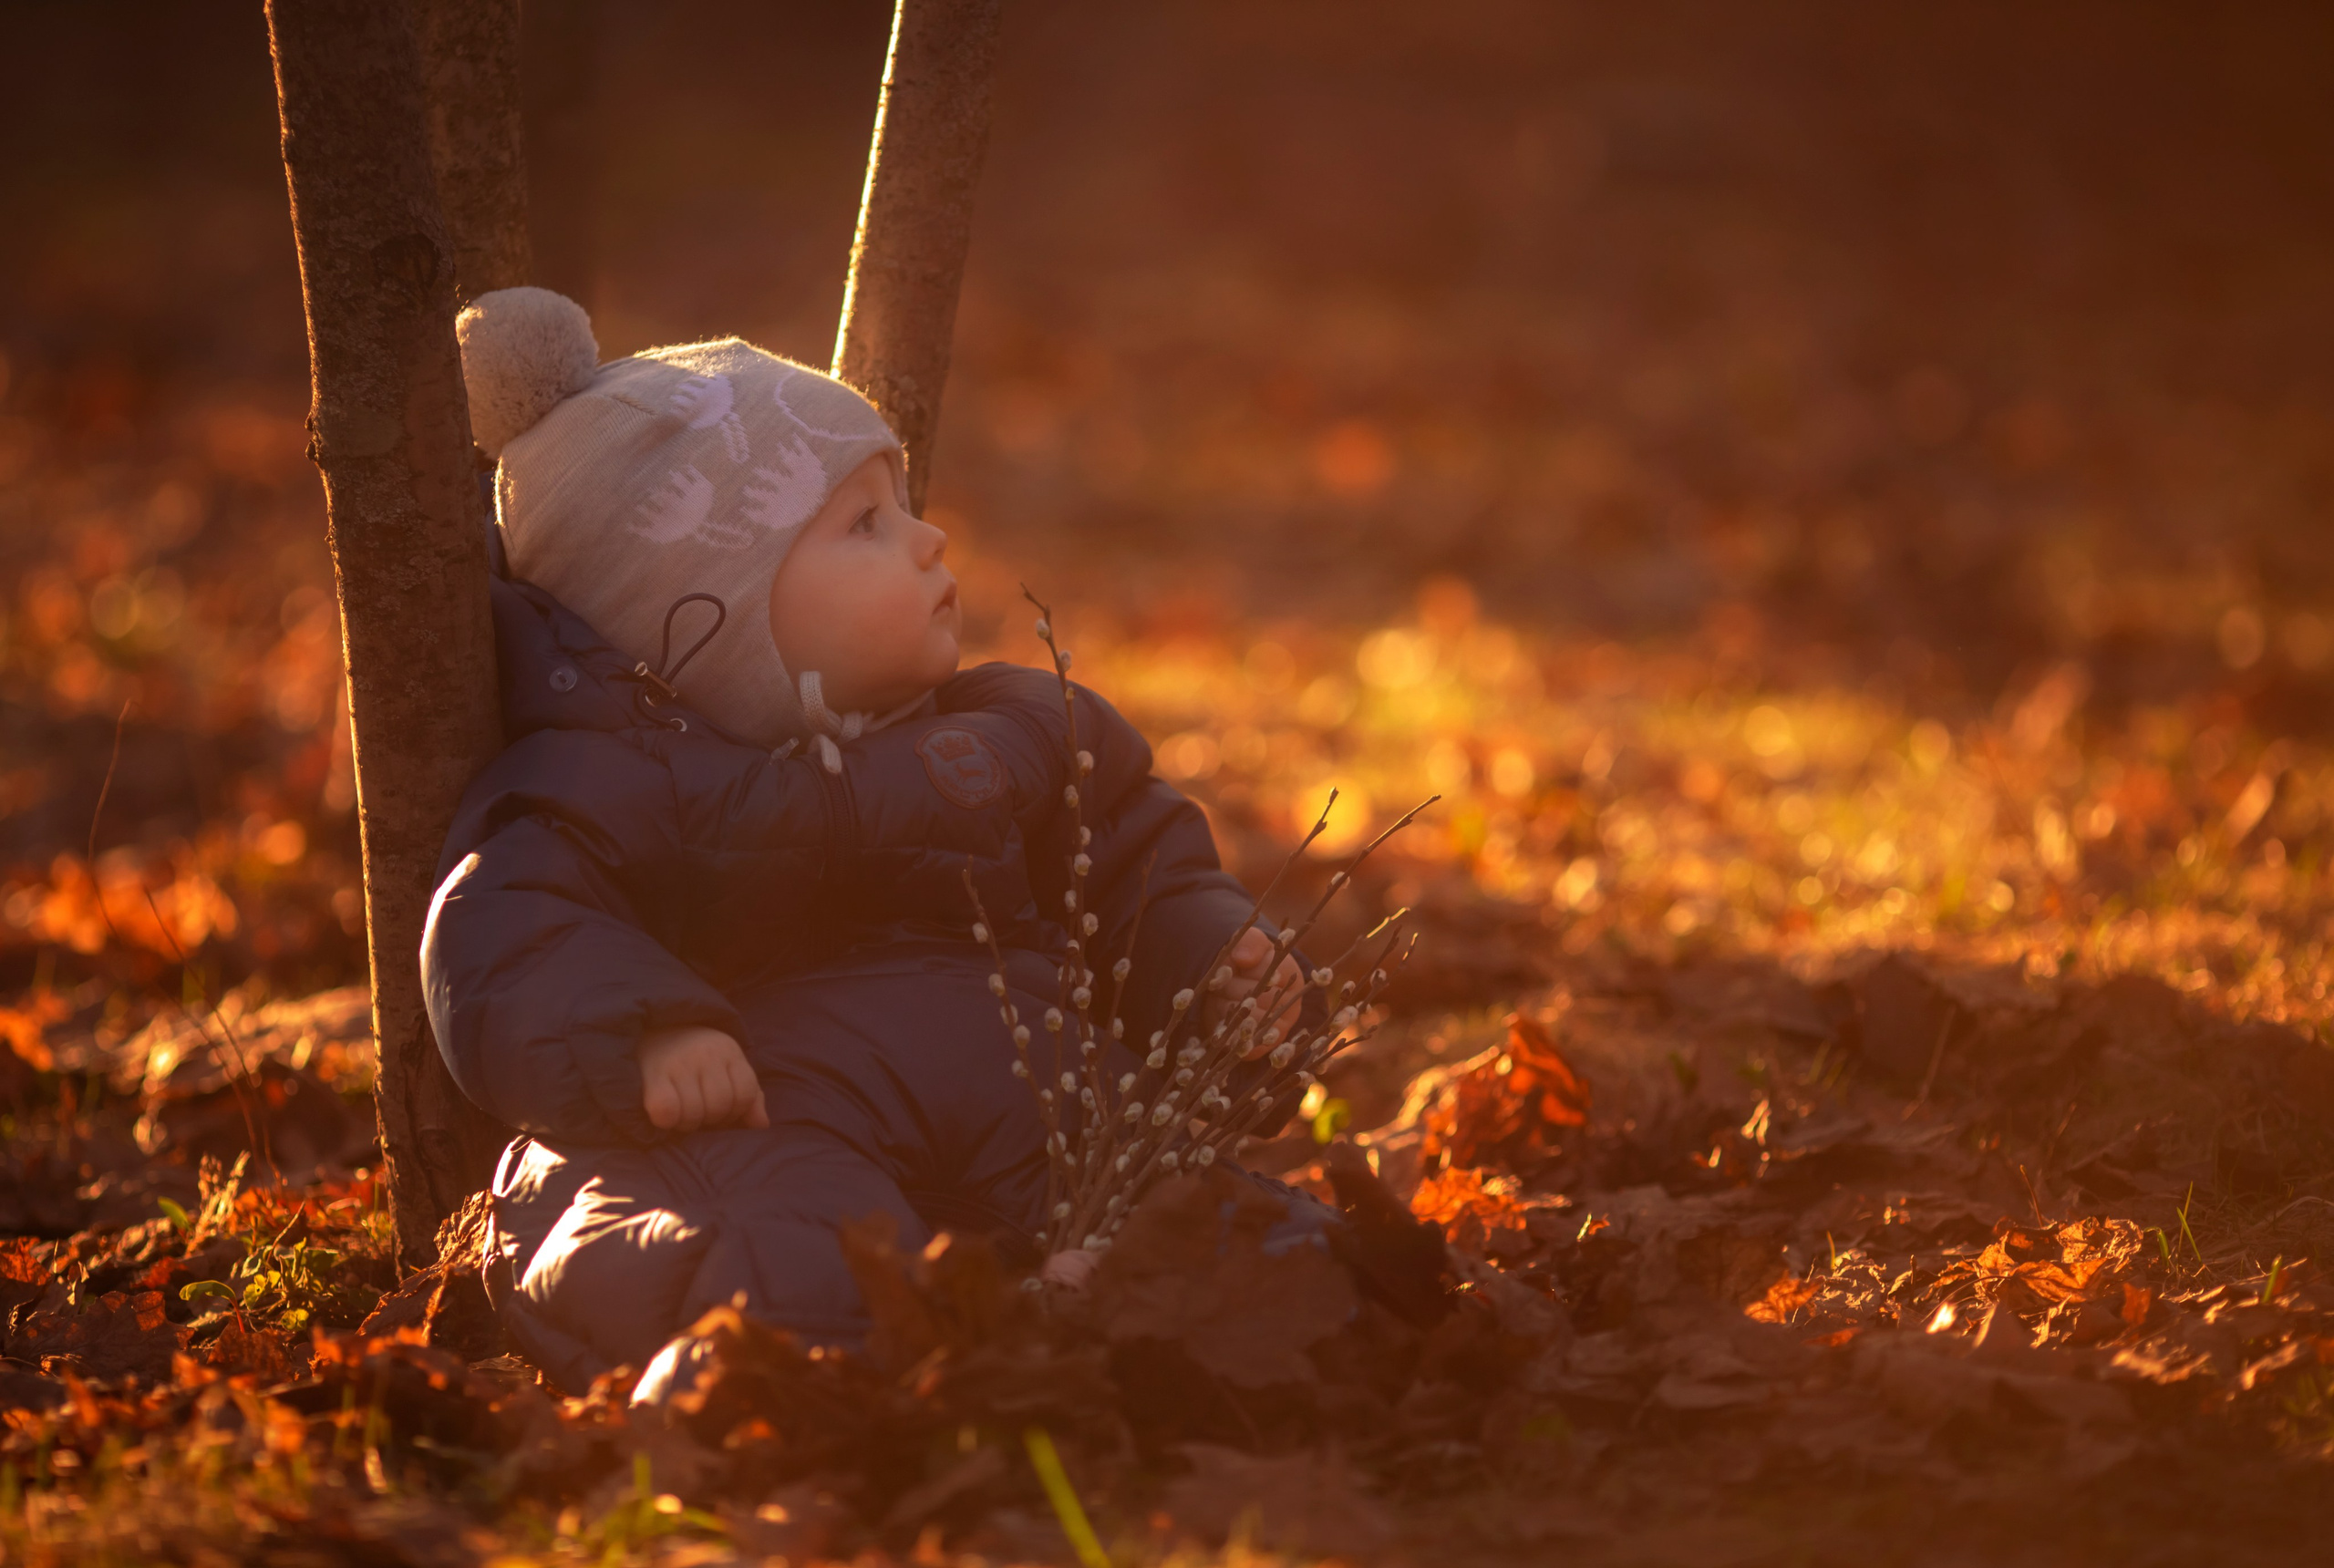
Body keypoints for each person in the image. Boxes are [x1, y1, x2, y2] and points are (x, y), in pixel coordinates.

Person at [422, 287, 1334, 1393]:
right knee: (761, 1261)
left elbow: (1139, 869)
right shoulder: (617, 780)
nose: (928, 538)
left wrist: (1215, 963)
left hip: (1029, 1101)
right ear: (704, 615)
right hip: (772, 1117)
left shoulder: (1022, 735)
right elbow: (509, 926)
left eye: (901, 506)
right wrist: (643, 1033)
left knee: (1256, 1247)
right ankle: (919, 1360)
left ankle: (1081, 1317)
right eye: (864, 524)